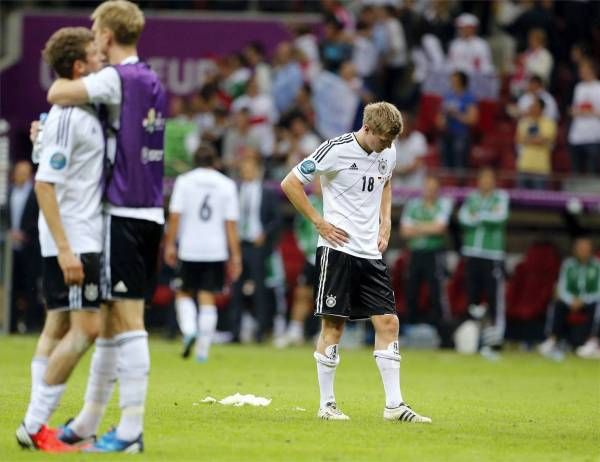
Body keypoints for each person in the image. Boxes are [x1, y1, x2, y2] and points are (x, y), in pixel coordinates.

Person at [47, 0, 167, 453]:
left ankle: (132, 431)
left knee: (128, 321)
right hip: (150, 210)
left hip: (125, 213)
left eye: (96, 30)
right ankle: (87, 422)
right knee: (113, 321)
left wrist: (64, 72)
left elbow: (59, 93)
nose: (93, 36)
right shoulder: (153, 78)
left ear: (107, 36)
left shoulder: (117, 78)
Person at [281, 101, 431, 423]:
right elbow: (290, 183)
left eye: (391, 143)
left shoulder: (387, 151)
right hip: (338, 252)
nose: (387, 148)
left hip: (370, 253)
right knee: (334, 326)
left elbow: (386, 181)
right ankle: (327, 405)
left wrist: (386, 219)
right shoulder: (333, 150)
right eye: (383, 141)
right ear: (367, 129)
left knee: (389, 322)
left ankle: (394, 406)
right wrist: (318, 222)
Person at [15, 27, 104, 452]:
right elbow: (44, 184)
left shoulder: (70, 115)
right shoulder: (69, 117)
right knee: (88, 328)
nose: (102, 59)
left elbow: (50, 163)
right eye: (94, 54)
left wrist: (39, 141)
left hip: (70, 236)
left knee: (58, 324)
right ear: (78, 67)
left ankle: (37, 422)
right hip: (75, 239)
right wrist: (67, 248)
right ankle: (35, 425)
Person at [164, 143, 242, 362]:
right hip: (216, 250)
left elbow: (175, 216)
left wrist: (170, 245)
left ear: (194, 161)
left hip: (189, 248)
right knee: (208, 297)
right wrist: (235, 256)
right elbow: (231, 224)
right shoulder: (226, 184)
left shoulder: (184, 181)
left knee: (183, 292)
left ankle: (189, 330)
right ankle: (202, 351)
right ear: (215, 161)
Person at [229, 152, 281, 343]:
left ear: (258, 170)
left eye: (250, 168)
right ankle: (234, 332)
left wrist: (265, 234)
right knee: (236, 289)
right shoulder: (235, 190)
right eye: (244, 168)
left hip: (257, 246)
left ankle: (261, 331)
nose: (247, 171)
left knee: (260, 290)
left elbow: (276, 220)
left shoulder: (267, 192)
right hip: (239, 245)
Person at [458, 168, 509, 360]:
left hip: (492, 255)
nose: (485, 182)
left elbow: (500, 217)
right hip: (472, 253)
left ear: (494, 181)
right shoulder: (472, 198)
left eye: (489, 179)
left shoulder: (501, 197)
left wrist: (478, 215)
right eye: (482, 178)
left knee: (495, 299)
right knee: (473, 300)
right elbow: (463, 218)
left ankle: (495, 343)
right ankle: (476, 340)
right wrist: (486, 215)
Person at [400, 176, 453, 333]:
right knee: (411, 290)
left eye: (433, 188)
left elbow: (440, 228)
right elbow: (404, 232)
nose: (429, 191)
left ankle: (441, 331)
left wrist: (416, 227)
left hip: (434, 253)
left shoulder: (443, 204)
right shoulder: (413, 205)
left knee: (436, 292)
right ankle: (410, 329)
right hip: (415, 253)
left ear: (438, 190)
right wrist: (429, 227)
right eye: (427, 188)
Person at [275, 179, 323, 348]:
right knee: (302, 294)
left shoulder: (336, 203)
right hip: (311, 257)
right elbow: (299, 227)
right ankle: (295, 331)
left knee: (329, 297)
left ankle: (324, 334)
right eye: (316, 183)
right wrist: (304, 245)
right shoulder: (309, 202)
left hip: (331, 256)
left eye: (321, 183)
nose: (318, 186)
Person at [539, 237, 600, 360]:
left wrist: (583, 300)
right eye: (580, 248)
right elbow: (562, 288)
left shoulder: (597, 266)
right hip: (571, 302)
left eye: (585, 248)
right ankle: (552, 340)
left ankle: (592, 342)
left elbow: (598, 290)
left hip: (590, 301)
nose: (582, 251)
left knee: (598, 306)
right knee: (557, 303)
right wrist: (571, 300)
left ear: (590, 250)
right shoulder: (568, 265)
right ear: (575, 250)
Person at [8, 160, 42, 333]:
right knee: (11, 287)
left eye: (25, 172)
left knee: (31, 287)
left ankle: (31, 325)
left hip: (31, 248)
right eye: (19, 171)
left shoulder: (37, 192)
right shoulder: (9, 191)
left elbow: (39, 218)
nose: (21, 175)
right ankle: (11, 324)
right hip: (10, 250)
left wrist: (25, 234)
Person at [436, 71, 479, 172]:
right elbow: (440, 117)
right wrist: (442, 121)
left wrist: (456, 114)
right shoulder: (447, 96)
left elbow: (473, 119)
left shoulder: (469, 97)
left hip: (461, 134)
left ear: (461, 81)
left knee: (459, 152)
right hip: (447, 133)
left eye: (455, 79)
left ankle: (459, 183)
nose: (452, 81)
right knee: (442, 149)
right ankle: (445, 180)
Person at [515, 96, 557, 190]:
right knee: (521, 200)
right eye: (531, 105)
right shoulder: (523, 122)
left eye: (534, 105)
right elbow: (518, 139)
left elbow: (544, 140)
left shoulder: (549, 123)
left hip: (541, 168)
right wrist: (536, 139)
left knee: (540, 200)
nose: (531, 107)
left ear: (541, 109)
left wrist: (527, 139)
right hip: (523, 166)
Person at [568, 59, 600, 175]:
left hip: (594, 137)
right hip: (576, 136)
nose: (580, 71)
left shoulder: (598, 87)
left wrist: (584, 112)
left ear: (592, 70)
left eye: (583, 68)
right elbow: (573, 110)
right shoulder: (579, 87)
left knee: (592, 173)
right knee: (575, 172)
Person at [393, 113, 427, 190]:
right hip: (397, 185)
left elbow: (418, 163)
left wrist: (399, 170)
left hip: (415, 184)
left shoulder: (418, 138)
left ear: (409, 126)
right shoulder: (391, 140)